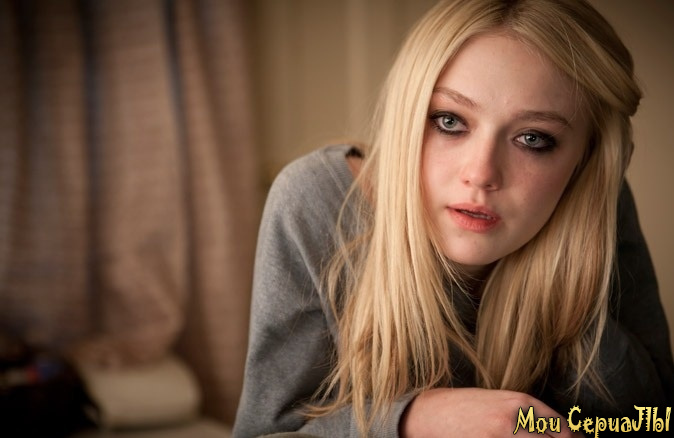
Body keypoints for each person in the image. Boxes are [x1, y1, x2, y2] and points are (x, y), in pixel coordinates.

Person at [234, 0, 674, 436]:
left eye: (533, 139)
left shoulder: (593, 200)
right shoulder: (315, 201)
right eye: (449, 121)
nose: (480, 174)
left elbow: (652, 422)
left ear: (585, 161)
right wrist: (412, 420)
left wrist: (569, 283)